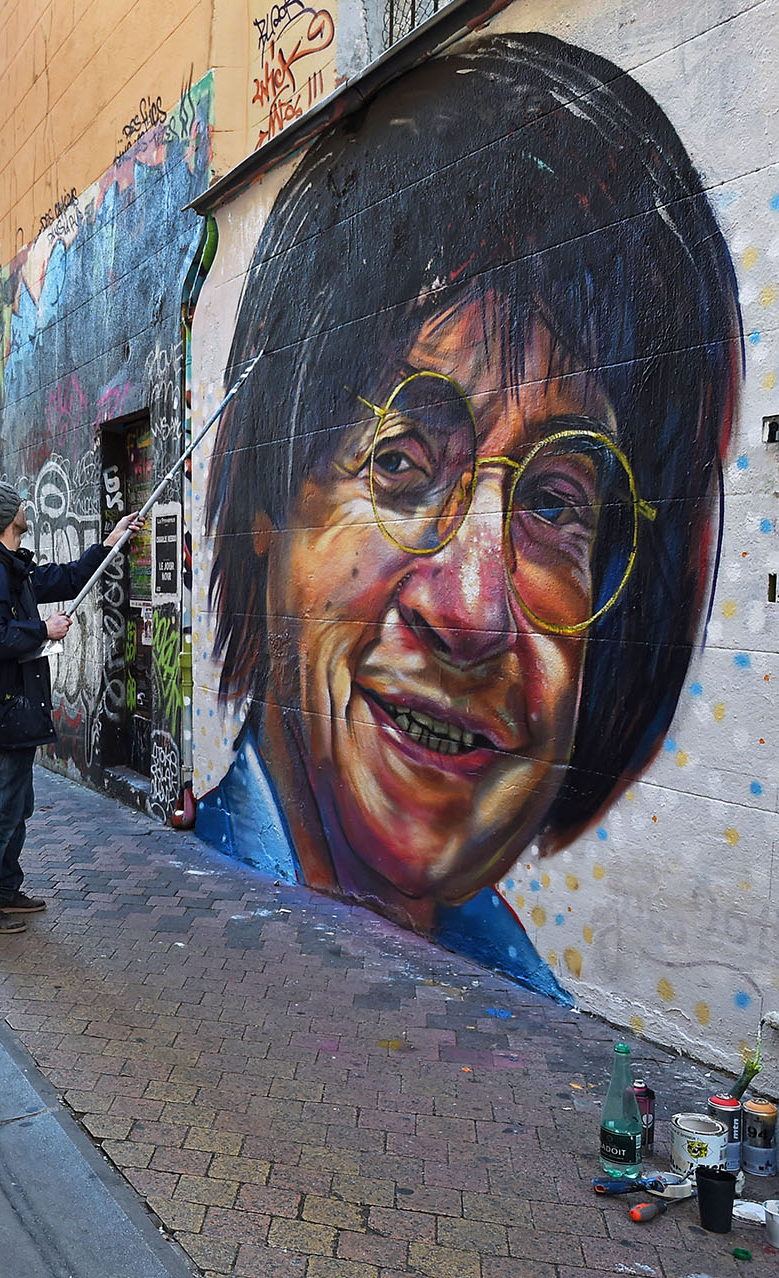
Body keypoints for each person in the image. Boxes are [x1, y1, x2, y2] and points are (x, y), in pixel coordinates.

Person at [197, 34, 739, 997]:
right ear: (265, 507)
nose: (475, 608)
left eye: (555, 504)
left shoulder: (534, 1001)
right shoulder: (198, 932)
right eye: (400, 462)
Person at [0, 480, 134, 935]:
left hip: (18, 704)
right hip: (8, 705)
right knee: (1, 804)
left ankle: (5, 889)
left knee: (17, 803)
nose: (24, 509)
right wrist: (42, 630)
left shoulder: (12, 568)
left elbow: (68, 577)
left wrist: (109, 544)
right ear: (4, 518)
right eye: (18, 505)